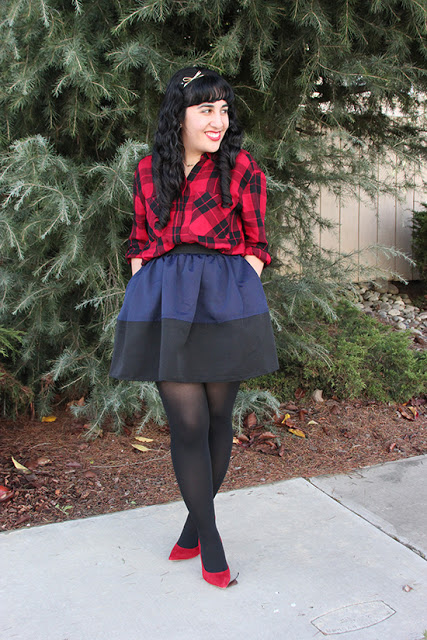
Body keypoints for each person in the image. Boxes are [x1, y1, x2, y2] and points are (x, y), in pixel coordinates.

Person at [110, 67, 278, 588]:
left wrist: (243, 275)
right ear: (177, 116)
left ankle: (192, 528)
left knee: (217, 414)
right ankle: (212, 538)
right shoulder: (146, 172)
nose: (219, 120)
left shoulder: (241, 169)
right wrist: (143, 275)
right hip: (166, 299)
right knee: (186, 422)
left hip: (224, 297)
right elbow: (139, 238)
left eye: (225, 109)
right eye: (206, 109)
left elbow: (258, 241)